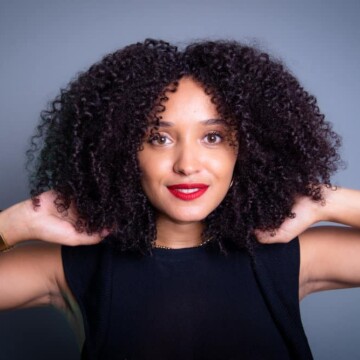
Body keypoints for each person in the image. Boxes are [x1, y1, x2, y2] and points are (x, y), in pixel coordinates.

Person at [0, 39, 360, 360]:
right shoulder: (74, 266)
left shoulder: (287, 255)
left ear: (248, 148)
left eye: (213, 137)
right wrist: (15, 223)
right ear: (123, 150)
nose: (187, 165)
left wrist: (324, 200)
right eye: (160, 138)